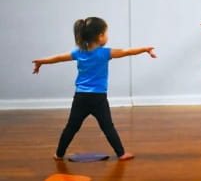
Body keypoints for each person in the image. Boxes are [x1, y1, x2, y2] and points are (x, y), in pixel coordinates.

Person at [32, 17, 156, 161]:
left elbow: (58, 58)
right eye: (106, 33)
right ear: (100, 36)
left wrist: (42, 62)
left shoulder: (78, 53)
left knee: (71, 127)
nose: (107, 36)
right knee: (108, 127)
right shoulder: (105, 53)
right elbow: (126, 51)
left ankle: (58, 154)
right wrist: (145, 49)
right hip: (98, 98)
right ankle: (121, 154)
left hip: (80, 97)